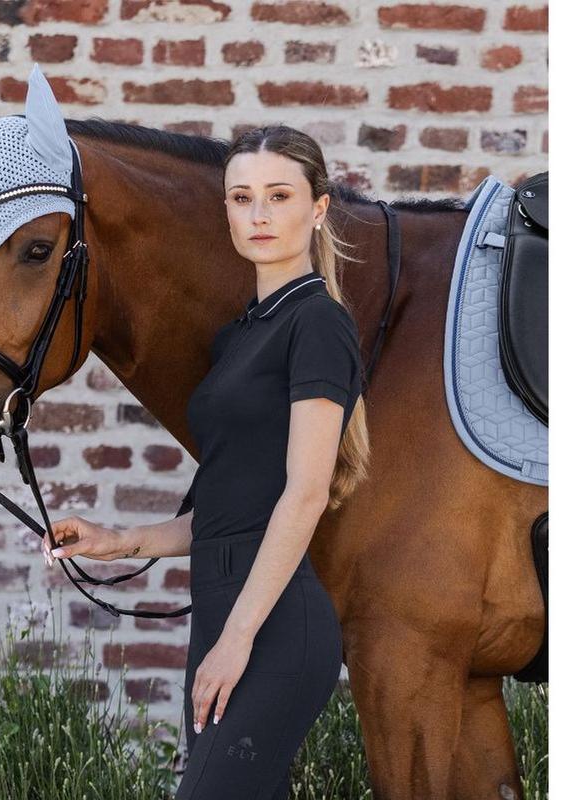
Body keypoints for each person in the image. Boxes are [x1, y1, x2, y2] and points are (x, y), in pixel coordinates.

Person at [44, 125, 370, 799]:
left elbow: (306, 495)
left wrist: (238, 638)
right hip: (222, 612)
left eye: (279, 196)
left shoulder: (317, 324)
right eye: (241, 198)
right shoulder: (240, 335)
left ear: (317, 208)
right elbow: (230, 507)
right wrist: (119, 541)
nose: (258, 215)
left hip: (273, 626)